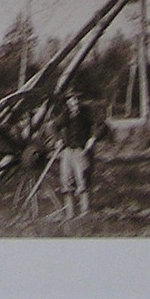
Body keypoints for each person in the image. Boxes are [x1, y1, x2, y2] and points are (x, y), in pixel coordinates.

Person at [51, 91, 104, 220]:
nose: (75, 102)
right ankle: (70, 214)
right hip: (67, 152)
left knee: (82, 180)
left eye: (76, 99)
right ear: (67, 103)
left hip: (81, 151)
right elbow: (53, 126)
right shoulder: (66, 115)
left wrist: (93, 138)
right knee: (66, 181)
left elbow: (102, 124)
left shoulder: (86, 113)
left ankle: (85, 213)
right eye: (71, 100)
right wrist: (57, 140)